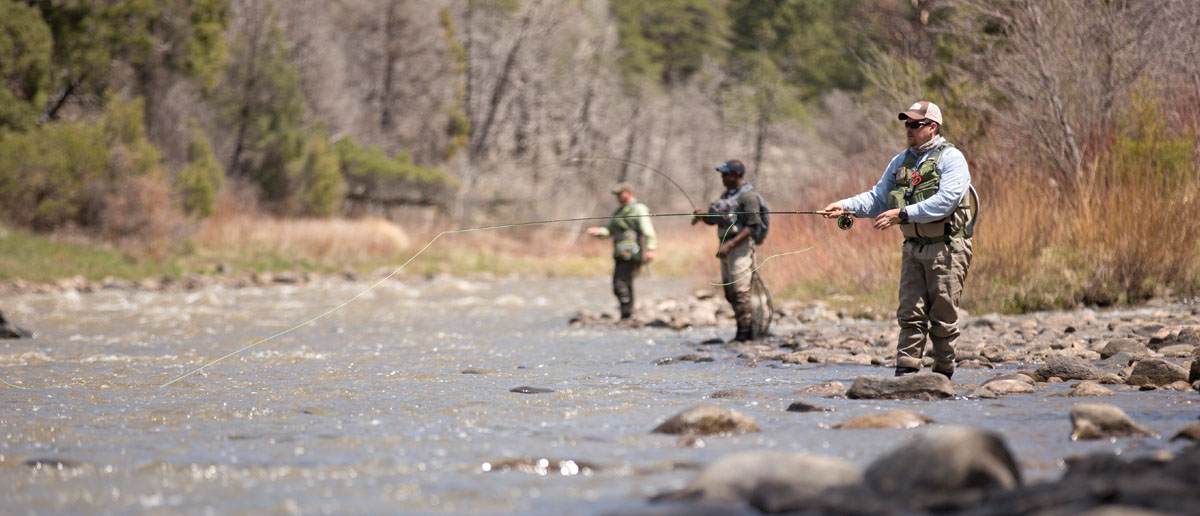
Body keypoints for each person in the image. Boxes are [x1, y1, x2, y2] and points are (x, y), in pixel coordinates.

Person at [822, 101, 975, 379]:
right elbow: (877, 198)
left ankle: (942, 378)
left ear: (932, 127)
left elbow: (946, 201)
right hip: (913, 249)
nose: (909, 129)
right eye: (906, 124)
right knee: (910, 315)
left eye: (916, 124)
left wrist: (903, 214)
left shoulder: (952, 159)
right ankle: (904, 376)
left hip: (947, 247)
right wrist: (844, 206)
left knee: (942, 318)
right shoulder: (900, 161)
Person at [692, 160, 766, 342]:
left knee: (741, 291)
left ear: (738, 175)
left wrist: (730, 245)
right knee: (730, 291)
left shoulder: (748, 197)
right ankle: (743, 331)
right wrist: (704, 216)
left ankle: (744, 335)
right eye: (723, 174)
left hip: (740, 247)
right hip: (726, 247)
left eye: (727, 174)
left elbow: (754, 227)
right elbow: (717, 220)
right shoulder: (726, 195)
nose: (723, 177)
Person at [586, 182, 657, 320]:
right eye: (616, 195)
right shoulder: (618, 212)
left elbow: (648, 230)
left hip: (632, 252)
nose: (617, 197)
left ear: (629, 193)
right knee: (625, 283)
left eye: (620, 194)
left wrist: (650, 249)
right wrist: (599, 231)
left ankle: (627, 314)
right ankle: (628, 315)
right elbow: (609, 229)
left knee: (619, 284)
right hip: (619, 253)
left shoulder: (639, 209)